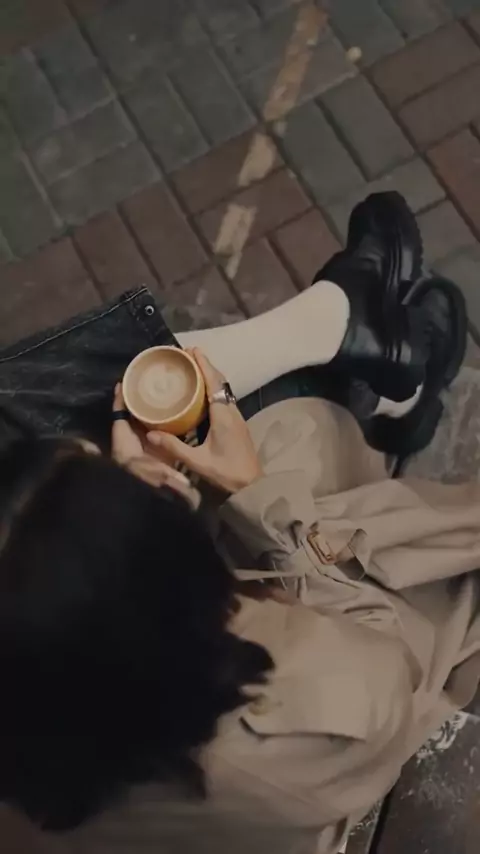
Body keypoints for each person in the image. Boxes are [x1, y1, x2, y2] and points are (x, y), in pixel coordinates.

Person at [0, 193, 477, 854]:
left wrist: (138, 509)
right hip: (354, 688)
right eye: (115, 476)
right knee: (293, 419)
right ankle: (379, 369)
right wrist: (257, 497)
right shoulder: (289, 722)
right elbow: (391, 664)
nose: (114, 455)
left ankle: (351, 330)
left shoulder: (49, 702)